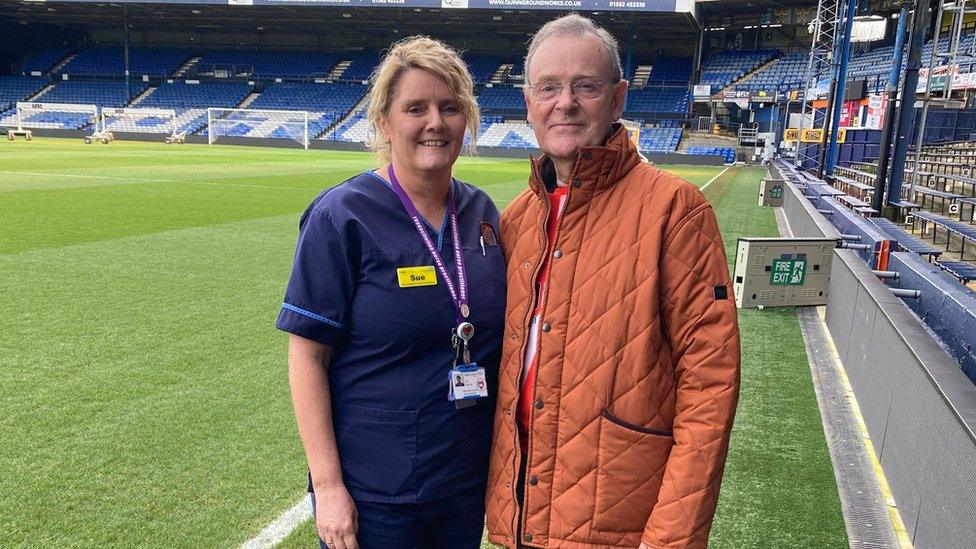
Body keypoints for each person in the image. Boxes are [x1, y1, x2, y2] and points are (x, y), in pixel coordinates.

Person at [484, 14, 741, 549]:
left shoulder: (675, 210)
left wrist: (670, 540)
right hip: (520, 524)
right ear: (528, 102)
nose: (566, 103)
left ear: (618, 98)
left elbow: (709, 387)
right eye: (549, 88)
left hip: (619, 529)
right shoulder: (516, 220)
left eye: (586, 86)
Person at [276, 36, 506, 549]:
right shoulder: (342, 215)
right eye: (415, 108)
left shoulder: (482, 214)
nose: (435, 122)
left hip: (463, 486)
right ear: (384, 122)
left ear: (466, 119)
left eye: (450, 107)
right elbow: (306, 356)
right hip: (375, 492)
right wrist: (329, 487)